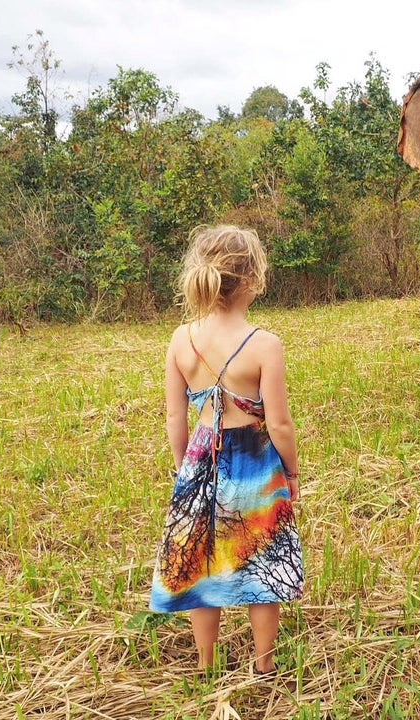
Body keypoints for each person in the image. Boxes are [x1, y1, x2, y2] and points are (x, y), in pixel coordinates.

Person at [149, 224, 304, 675]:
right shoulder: (264, 345)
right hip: (256, 464)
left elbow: (175, 418)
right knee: (263, 564)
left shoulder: (181, 340)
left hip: (200, 460)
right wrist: (290, 472)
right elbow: (279, 423)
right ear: (253, 279)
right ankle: (264, 664)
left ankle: (205, 663)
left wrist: (185, 468)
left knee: (199, 565)